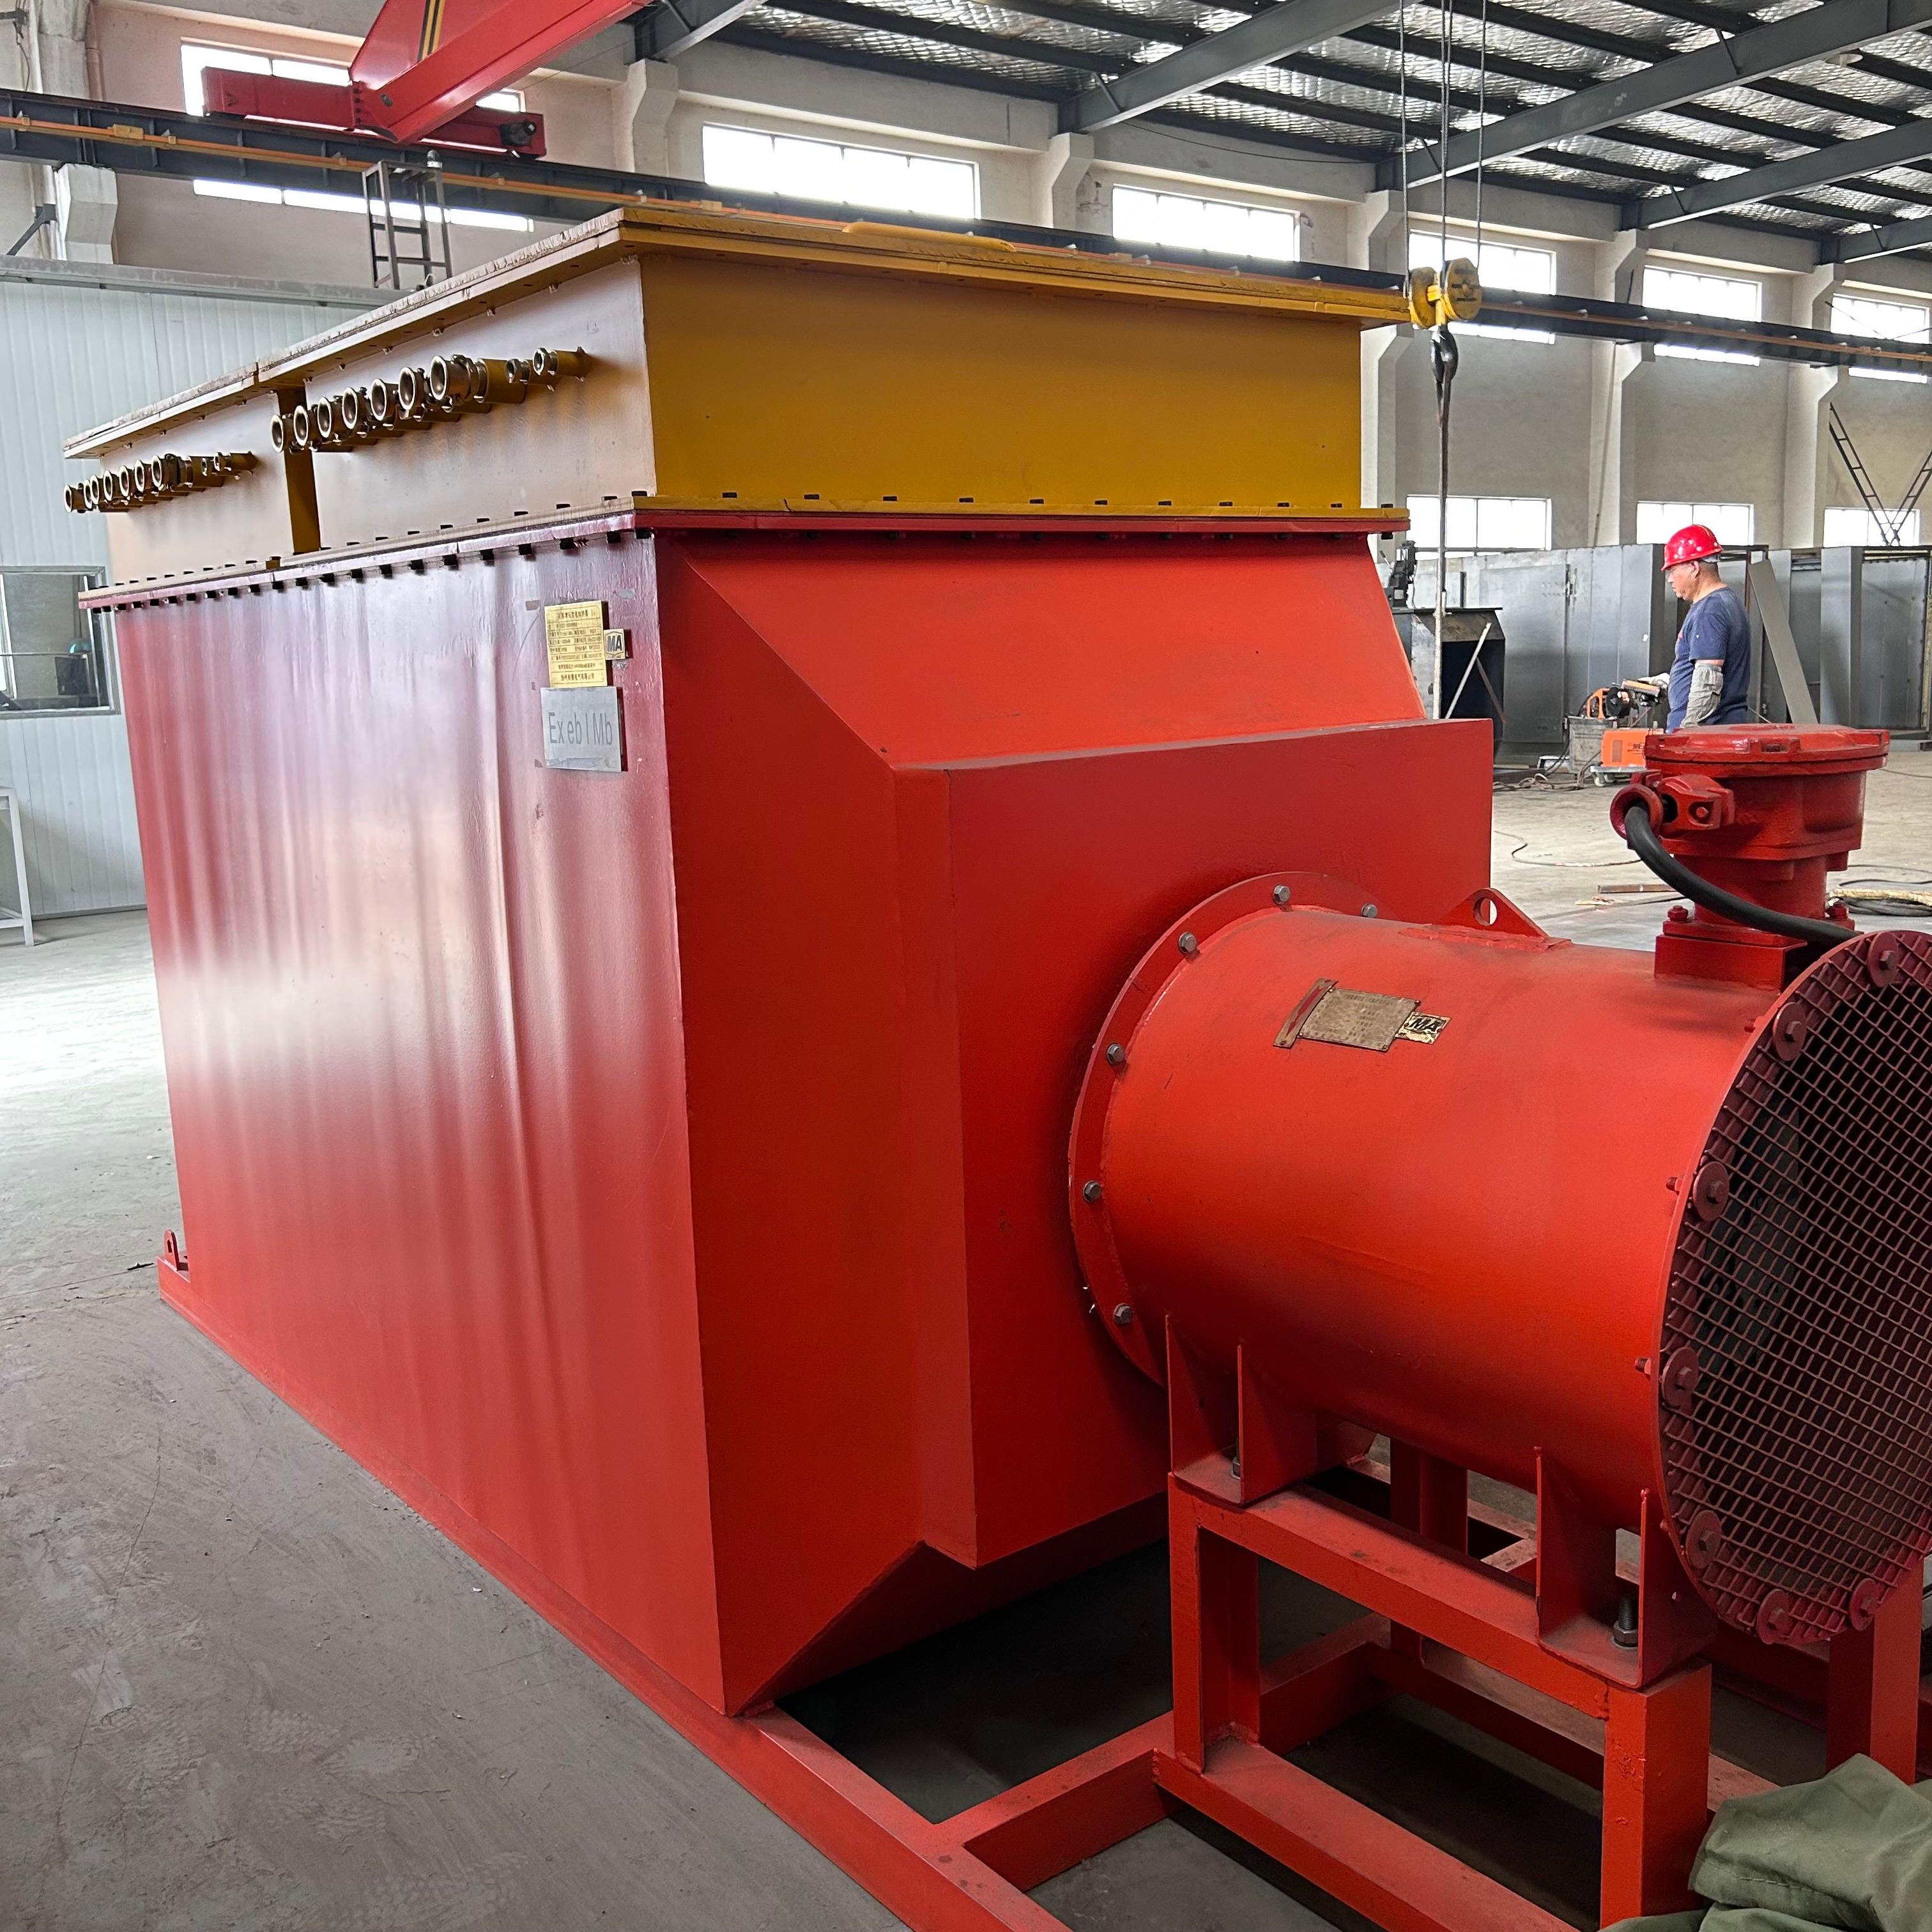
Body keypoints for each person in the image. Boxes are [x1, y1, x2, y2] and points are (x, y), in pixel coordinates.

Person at [1624, 523, 1753, 730]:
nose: (1670, 579)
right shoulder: (1727, 601)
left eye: (1673, 570)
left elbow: (1708, 683)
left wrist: (1687, 734)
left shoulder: (1710, 610)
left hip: (1707, 734)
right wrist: (1670, 683)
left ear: (1694, 567)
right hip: (1723, 729)